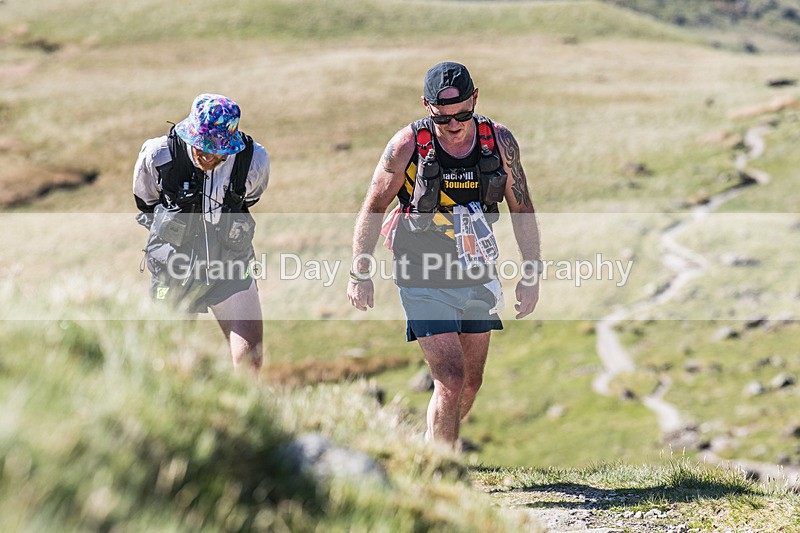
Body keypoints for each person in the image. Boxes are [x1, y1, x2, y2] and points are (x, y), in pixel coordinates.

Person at [347, 62, 541, 447]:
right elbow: (373, 206)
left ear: (475, 98)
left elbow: (522, 208)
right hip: (421, 272)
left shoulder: (498, 142)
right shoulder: (406, 145)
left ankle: (429, 444)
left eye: (462, 114)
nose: (453, 125)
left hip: (477, 272)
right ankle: (442, 472)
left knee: (470, 382)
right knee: (449, 380)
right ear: (426, 105)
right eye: (442, 117)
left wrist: (531, 273)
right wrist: (360, 273)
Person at [133, 93, 270, 372]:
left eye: (219, 151)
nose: (209, 156)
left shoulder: (254, 158)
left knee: (250, 361)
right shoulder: (157, 153)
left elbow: (250, 197)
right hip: (173, 270)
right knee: (167, 362)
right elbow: (146, 199)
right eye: (202, 147)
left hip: (231, 267)